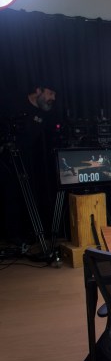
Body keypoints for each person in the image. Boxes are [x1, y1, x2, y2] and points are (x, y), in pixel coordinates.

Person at [0, 84, 58, 248]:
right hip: (8, 161)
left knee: (31, 196)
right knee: (11, 198)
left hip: (30, 162)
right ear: (38, 91)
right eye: (50, 93)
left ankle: (32, 233)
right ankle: (14, 236)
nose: (52, 98)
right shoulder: (13, 105)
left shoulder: (45, 114)